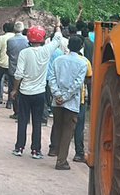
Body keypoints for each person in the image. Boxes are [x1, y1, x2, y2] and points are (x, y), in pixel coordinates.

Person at [11, 26, 53, 158]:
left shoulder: (24, 53)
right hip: (39, 93)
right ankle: (36, 150)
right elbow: (57, 39)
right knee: (37, 122)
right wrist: (57, 26)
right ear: (43, 38)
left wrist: (14, 89)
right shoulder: (47, 50)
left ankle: (19, 148)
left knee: (23, 121)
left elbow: (18, 74)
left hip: (25, 92)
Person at [48, 36, 87, 170]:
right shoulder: (82, 63)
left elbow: (51, 79)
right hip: (71, 102)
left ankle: (55, 151)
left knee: (57, 127)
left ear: (68, 46)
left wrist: (57, 94)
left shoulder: (58, 60)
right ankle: (61, 161)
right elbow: (78, 84)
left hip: (57, 101)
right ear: (81, 46)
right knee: (67, 132)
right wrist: (65, 96)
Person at [74, 22, 94, 163]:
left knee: (61, 124)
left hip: (60, 99)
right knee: (78, 126)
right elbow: (88, 79)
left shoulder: (60, 60)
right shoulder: (85, 62)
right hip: (78, 97)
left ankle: (54, 148)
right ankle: (79, 153)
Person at [5, 22, 29, 115]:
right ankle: (23, 111)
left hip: (13, 68)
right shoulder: (27, 40)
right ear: (23, 29)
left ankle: (16, 111)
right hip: (24, 69)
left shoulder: (10, 40)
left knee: (13, 90)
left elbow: (8, 53)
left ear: (14, 30)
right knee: (23, 90)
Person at [0, 22, 15, 106]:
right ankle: (9, 102)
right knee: (11, 83)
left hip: (2, 63)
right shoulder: (15, 38)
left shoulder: (1, 38)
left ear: (4, 29)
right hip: (12, 64)